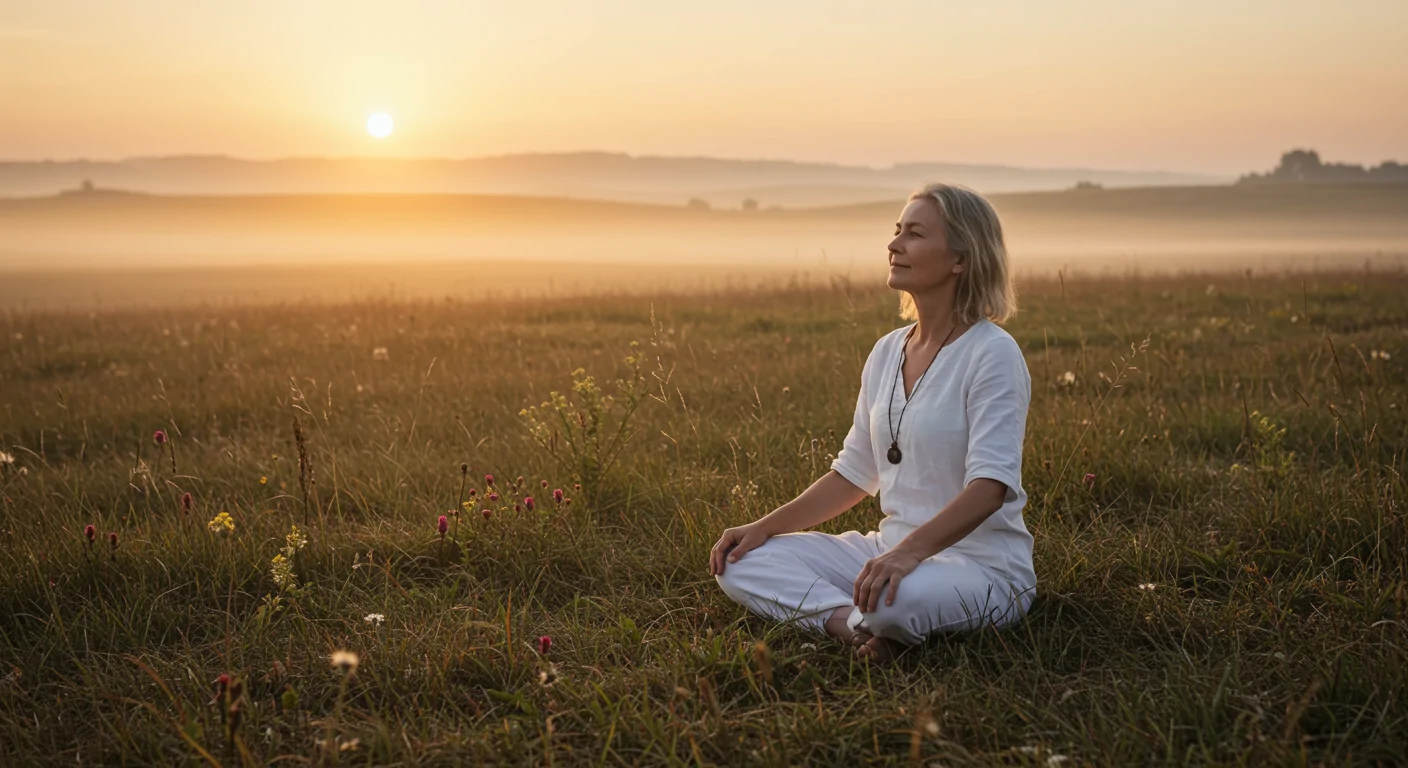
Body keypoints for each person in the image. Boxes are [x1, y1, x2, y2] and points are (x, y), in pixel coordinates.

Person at [711, 183, 1035, 661]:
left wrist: (908, 556)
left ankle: (872, 617)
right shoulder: (888, 350)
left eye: (915, 234)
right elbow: (853, 474)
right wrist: (763, 526)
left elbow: (990, 486)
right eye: (897, 230)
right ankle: (852, 627)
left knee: (894, 600)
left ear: (960, 260)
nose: (894, 244)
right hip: (888, 550)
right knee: (739, 562)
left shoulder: (992, 353)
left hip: (981, 567)